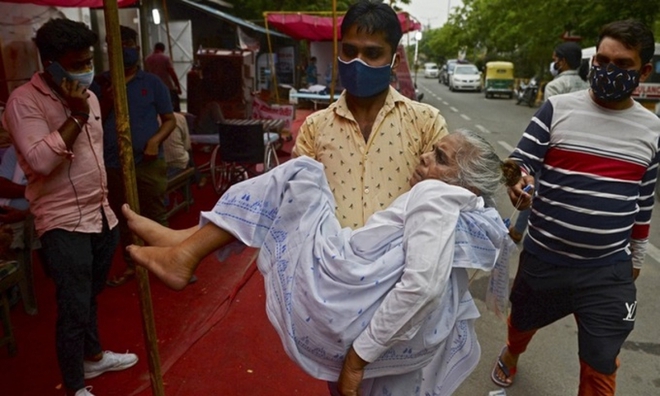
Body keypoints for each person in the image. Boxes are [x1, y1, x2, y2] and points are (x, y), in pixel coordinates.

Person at [123, 129, 519, 396]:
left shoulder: (436, 194)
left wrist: (357, 358)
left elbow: (422, 285)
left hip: (346, 283)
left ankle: (187, 250)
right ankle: (186, 244)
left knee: (301, 176)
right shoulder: (473, 211)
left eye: (440, 157)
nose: (424, 157)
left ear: (463, 182)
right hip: (378, 311)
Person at [492, 20, 660, 395]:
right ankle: (512, 352)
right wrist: (517, 179)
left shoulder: (652, 130)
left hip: (607, 272)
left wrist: (635, 259)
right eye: (601, 60)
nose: (607, 70)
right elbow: (522, 161)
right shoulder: (557, 109)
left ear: (643, 71)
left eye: (622, 64)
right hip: (544, 259)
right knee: (521, 322)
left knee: (602, 363)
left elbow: (643, 202)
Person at [2, 18, 138, 396]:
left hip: (99, 213)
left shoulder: (90, 95)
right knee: (73, 303)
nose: (85, 69)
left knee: (90, 293)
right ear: (50, 63)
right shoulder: (23, 103)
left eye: (87, 60)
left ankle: (93, 356)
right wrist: (76, 115)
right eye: (76, 63)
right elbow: (41, 161)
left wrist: (87, 105)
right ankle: (76, 385)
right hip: (61, 220)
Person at [293, 0, 448, 230]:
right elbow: (297, 205)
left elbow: (443, 203)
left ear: (394, 61)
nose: (358, 62)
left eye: (372, 53)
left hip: (404, 263)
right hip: (331, 262)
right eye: (349, 51)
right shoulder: (314, 129)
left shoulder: (427, 124)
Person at [91, 25, 176, 287]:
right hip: (113, 164)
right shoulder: (100, 84)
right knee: (125, 218)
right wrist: (106, 99)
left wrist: (154, 141)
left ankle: (170, 262)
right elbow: (90, 120)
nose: (126, 49)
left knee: (155, 213)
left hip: (147, 163)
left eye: (130, 44)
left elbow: (170, 120)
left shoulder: (152, 83)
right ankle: (134, 266)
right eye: (119, 44)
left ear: (137, 49)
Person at [508, 41, 590, 243]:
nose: (553, 64)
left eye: (555, 60)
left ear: (562, 62)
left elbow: (551, 124)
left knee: (534, 189)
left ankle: (526, 232)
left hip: (556, 149)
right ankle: (520, 229)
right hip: (585, 149)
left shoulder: (555, 87)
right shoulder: (587, 86)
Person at [144, 42, 182, 112]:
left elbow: (146, 73)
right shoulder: (165, 58)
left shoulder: (147, 59)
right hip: (167, 86)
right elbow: (172, 73)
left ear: (154, 48)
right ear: (163, 49)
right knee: (174, 105)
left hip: (152, 87)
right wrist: (178, 86)